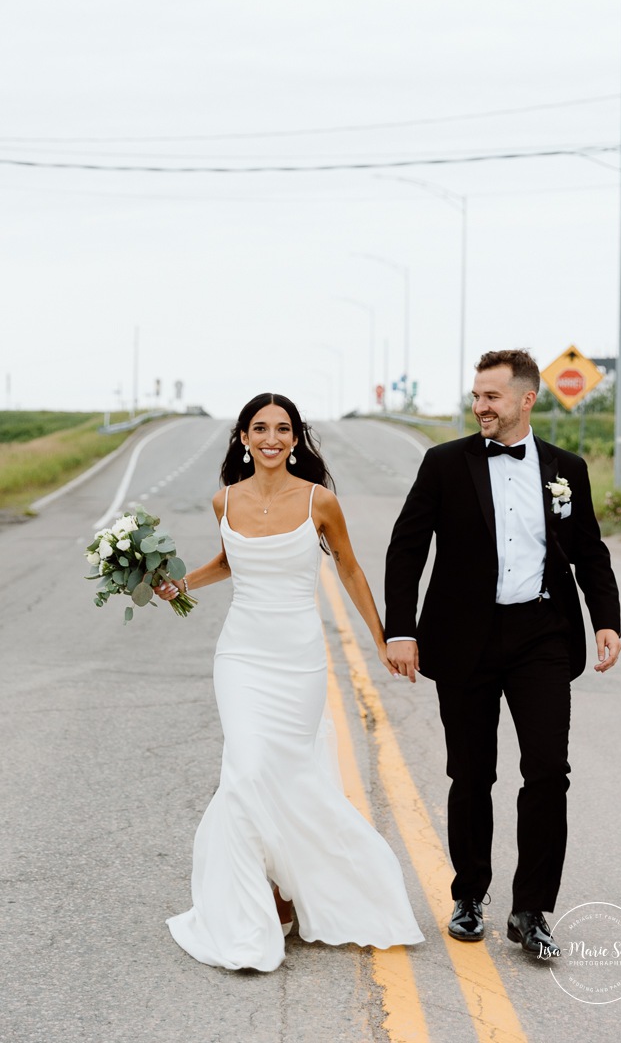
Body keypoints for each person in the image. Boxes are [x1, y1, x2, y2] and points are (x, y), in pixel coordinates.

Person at [155, 392, 423, 972]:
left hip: (299, 660)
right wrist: (179, 584)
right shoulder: (222, 500)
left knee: (290, 775)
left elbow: (348, 567)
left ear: (296, 439)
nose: (271, 438)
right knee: (248, 769)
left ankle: (285, 891)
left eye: (283, 429)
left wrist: (381, 638)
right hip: (242, 657)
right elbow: (229, 562)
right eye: (260, 428)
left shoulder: (319, 501)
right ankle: (249, 913)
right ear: (244, 439)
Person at [384, 350, 621, 957]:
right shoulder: (444, 464)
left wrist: (606, 621)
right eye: (475, 395)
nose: (479, 406)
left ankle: (532, 910)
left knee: (547, 769)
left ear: (525, 400)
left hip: (542, 634)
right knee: (471, 772)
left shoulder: (566, 468)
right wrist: (401, 630)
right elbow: (406, 549)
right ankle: (469, 894)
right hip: (465, 637)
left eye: (491, 396)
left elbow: (589, 550)